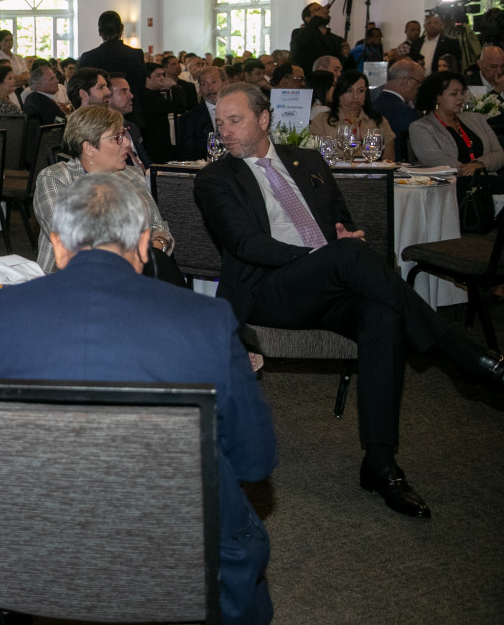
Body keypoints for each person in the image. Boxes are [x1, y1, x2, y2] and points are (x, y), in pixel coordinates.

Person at [0, 173, 277, 624]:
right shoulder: (209, 320)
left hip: (24, 546)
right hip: (176, 547)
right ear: (143, 245)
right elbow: (255, 459)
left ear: (58, 246)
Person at [195, 82, 504, 518]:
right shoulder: (214, 178)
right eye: (220, 122)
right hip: (269, 289)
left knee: (382, 317)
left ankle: (380, 462)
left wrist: (344, 234)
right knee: (346, 256)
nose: (224, 131)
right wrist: (323, 256)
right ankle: (466, 355)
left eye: (234, 120)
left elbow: (341, 219)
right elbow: (244, 244)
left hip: (330, 282)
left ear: (263, 120)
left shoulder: (307, 159)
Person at [32, 106, 177, 281]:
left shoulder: (132, 175)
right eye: (117, 137)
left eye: (124, 134)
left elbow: (160, 228)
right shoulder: (56, 178)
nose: (127, 143)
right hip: (73, 280)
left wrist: (153, 252)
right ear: (89, 147)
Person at [409, 71, 504, 184]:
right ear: (437, 97)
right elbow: (435, 160)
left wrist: (479, 164)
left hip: (489, 184)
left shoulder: (477, 119)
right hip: (449, 186)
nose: (461, 98)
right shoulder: (420, 127)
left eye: (462, 92)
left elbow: (499, 153)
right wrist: (469, 170)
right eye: (454, 94)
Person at [308, 70, 397, 161]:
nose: (355, 96)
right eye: (349, 91)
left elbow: (388, 161)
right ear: (339, 93)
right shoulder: (321, 121)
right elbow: (312, 158)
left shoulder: (379, 122)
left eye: (360, 91)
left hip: (370, 169)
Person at [76, 10, 145, 114]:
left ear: (100, 32)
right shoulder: (136, 54)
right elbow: (141, 86)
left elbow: (80, 88)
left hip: (99, 112)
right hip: (131, 110)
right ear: (121, 28)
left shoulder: (88, 57)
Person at [372, 58, 424, 161]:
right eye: (419, 83)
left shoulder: (371, 104)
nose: (419, 89)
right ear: (407, 82)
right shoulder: (404, 112)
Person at [176, 65, 225, 160]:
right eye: (204, 84)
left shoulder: (238, 112)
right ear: (200, 88)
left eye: (214, 82)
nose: (210, 88)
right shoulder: (189, 119)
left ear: (224, 83)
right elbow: (185, 158)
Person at [106, 72, 152, 169]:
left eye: (129, 91)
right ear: (107, 98)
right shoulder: (103, 132)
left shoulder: (132, 127)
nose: (131, 96)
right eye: (124, 91)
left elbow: (147, 163)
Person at [289, 1, 346, 72]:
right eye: (317, 10)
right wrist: (317, 18)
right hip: (309, 76)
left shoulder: (337, 39)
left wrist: (347, 55)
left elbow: (342, 65)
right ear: (307, 18)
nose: (323, 11)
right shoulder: (298, 33)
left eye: (322, 9)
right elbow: (299, 45)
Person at [410, 13, 462, 78]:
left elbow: (455, 65)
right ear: (424, 26)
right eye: (429, 23)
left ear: (442, 25)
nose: (432, 25)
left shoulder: (451, 42)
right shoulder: (416, 42)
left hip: (441, 79)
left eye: (436, 23)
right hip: (418, 80)